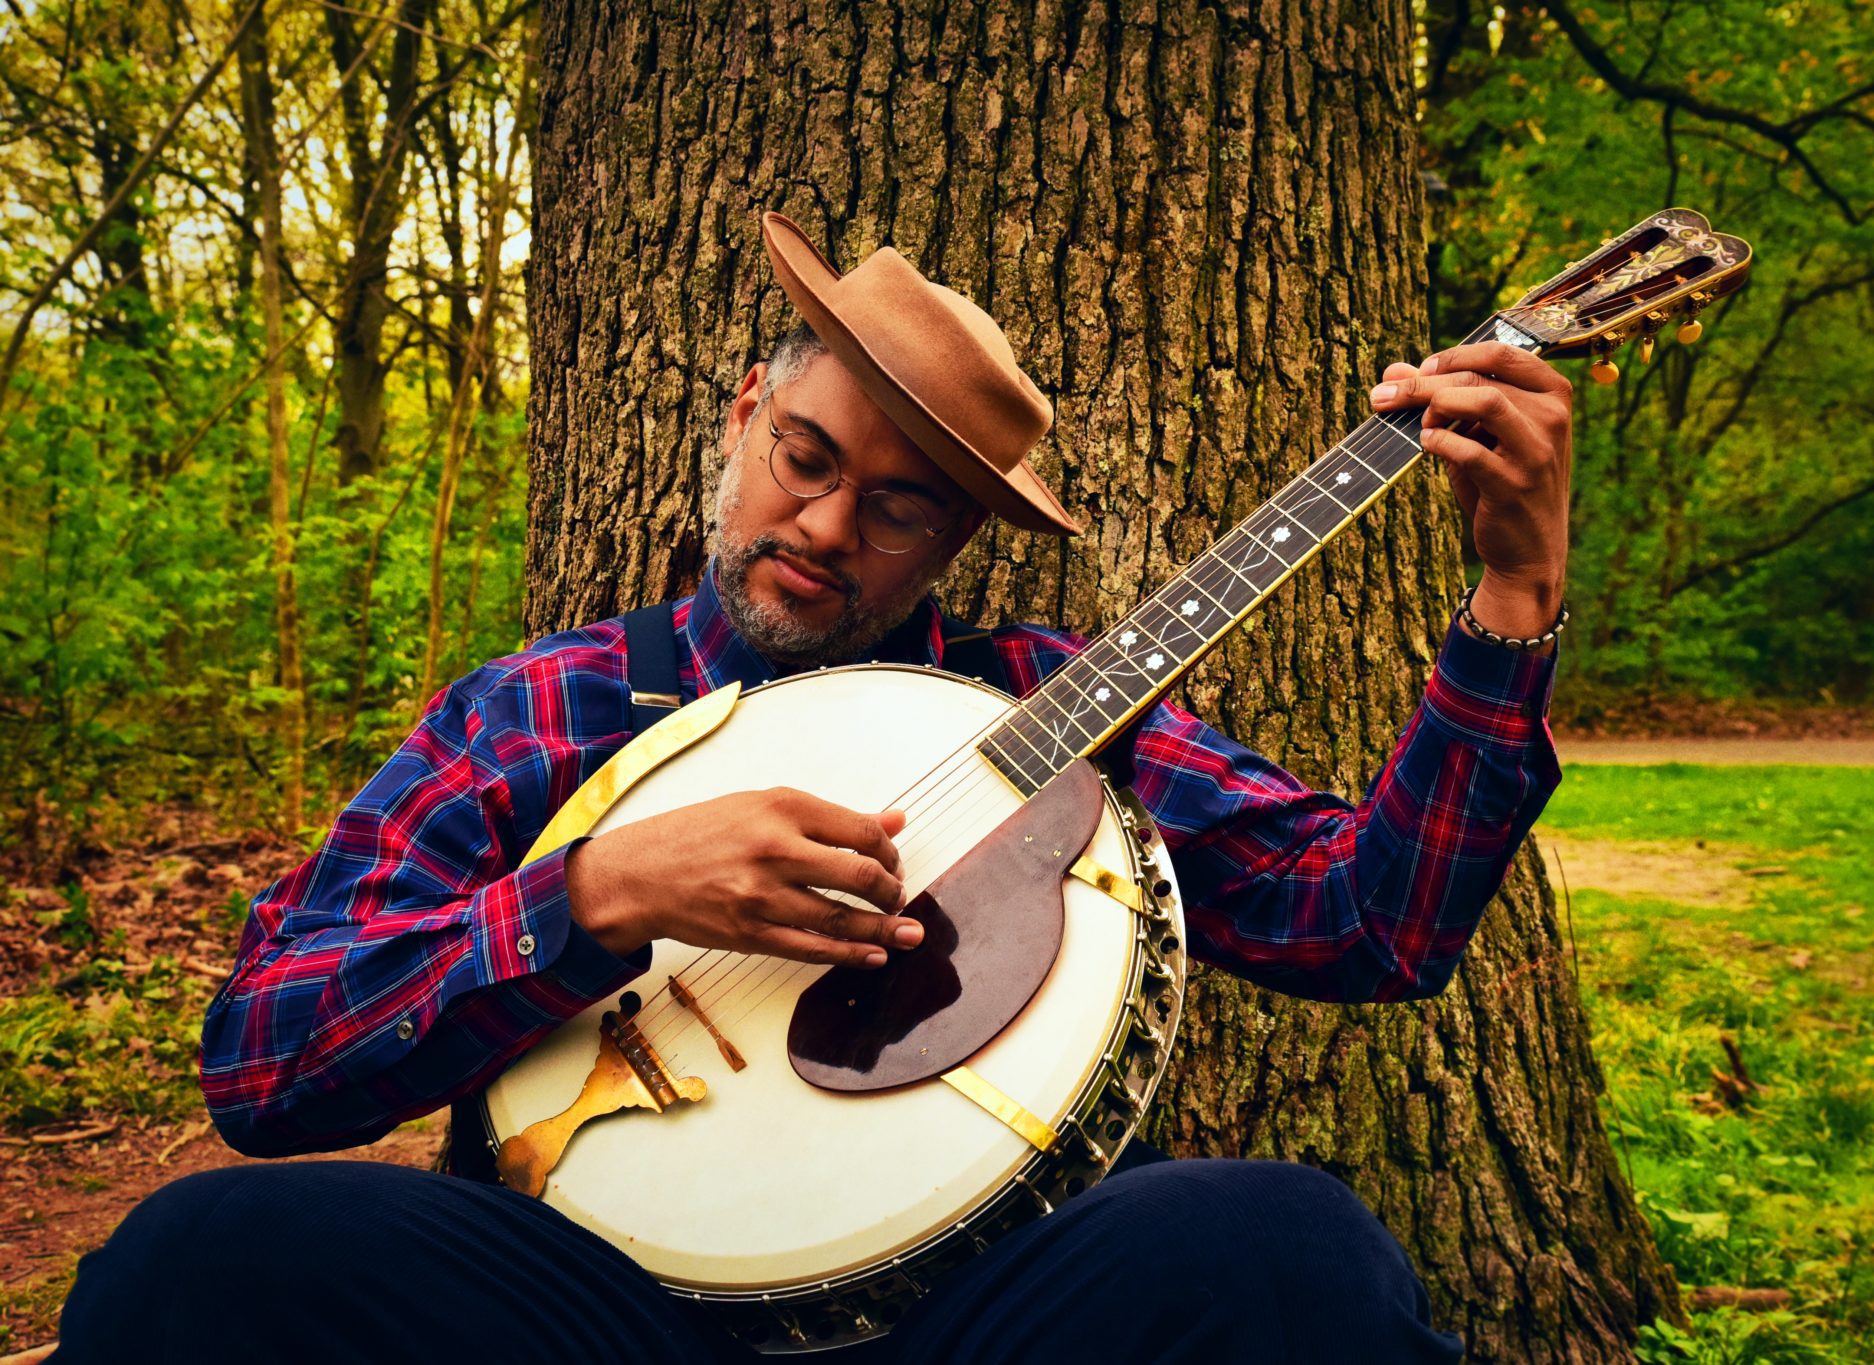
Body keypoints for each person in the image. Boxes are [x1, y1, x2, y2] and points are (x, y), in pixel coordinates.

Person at [51, 212, 1572, 1364]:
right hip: (589, 1312)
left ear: (954, 546)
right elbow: (261, 1060)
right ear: (739, 420)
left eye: (899, 507)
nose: (828, 524)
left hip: (968, 1311)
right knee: (195, 1257)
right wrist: (598, 892)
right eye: (804, 455)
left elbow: (1370, 925)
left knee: (1294, 1253)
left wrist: (1512, 596)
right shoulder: (544, 710)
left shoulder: (1050, 706)